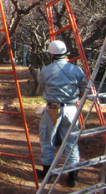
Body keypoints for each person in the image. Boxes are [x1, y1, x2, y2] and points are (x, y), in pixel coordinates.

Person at [36, 40, 88, 187]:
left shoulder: (46, 70)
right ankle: (73, 177)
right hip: (71, 109)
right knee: (71, 142)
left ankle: (47, 173)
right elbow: (84, 87)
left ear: (51, 55)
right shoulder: (76, 70)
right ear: (65, 54)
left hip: (52, 109)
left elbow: (42, 85)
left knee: (48, 139)